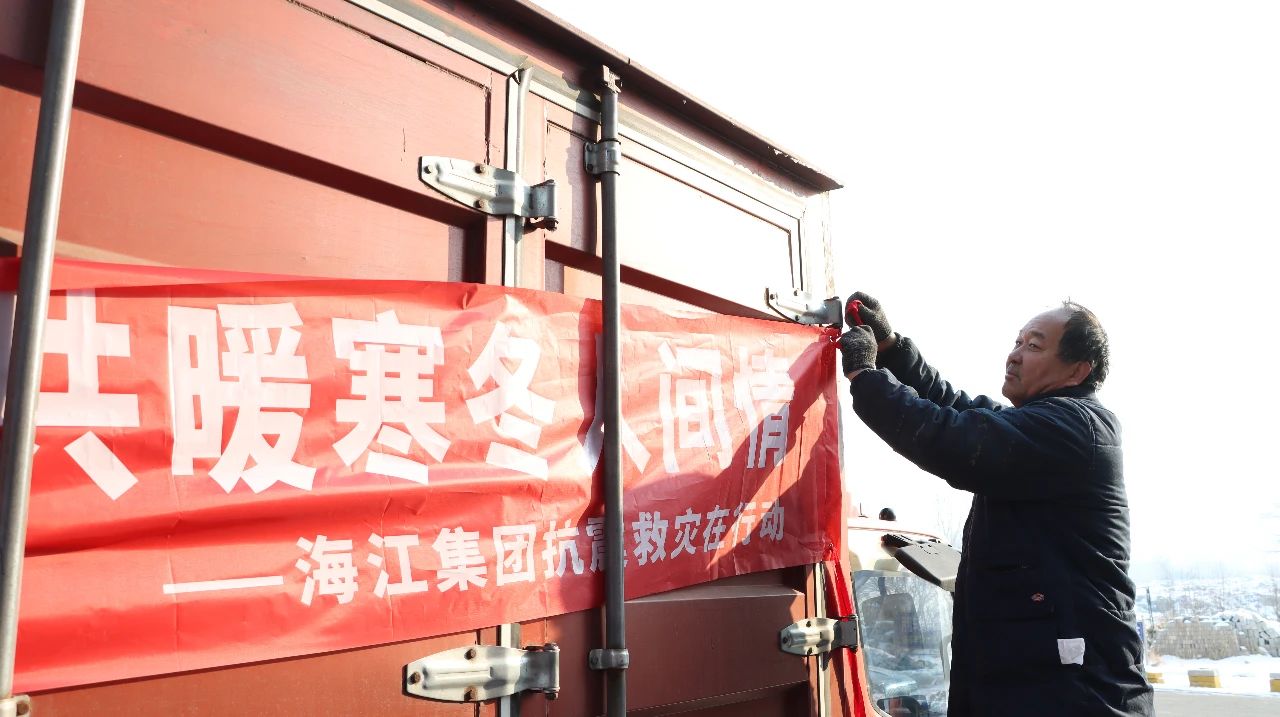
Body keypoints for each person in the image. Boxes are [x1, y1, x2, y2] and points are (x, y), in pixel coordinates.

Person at [838, 292, 1153, 717]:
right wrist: (891, 348)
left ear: (1078, 369)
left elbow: (953, 436)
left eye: (1034, 345)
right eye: (1018, 341)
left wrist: (866, 375)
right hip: (1039, 684)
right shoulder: (1043, 424)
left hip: (1075, 693)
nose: (1015, 355)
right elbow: (954, 405)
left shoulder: (1075, 427)